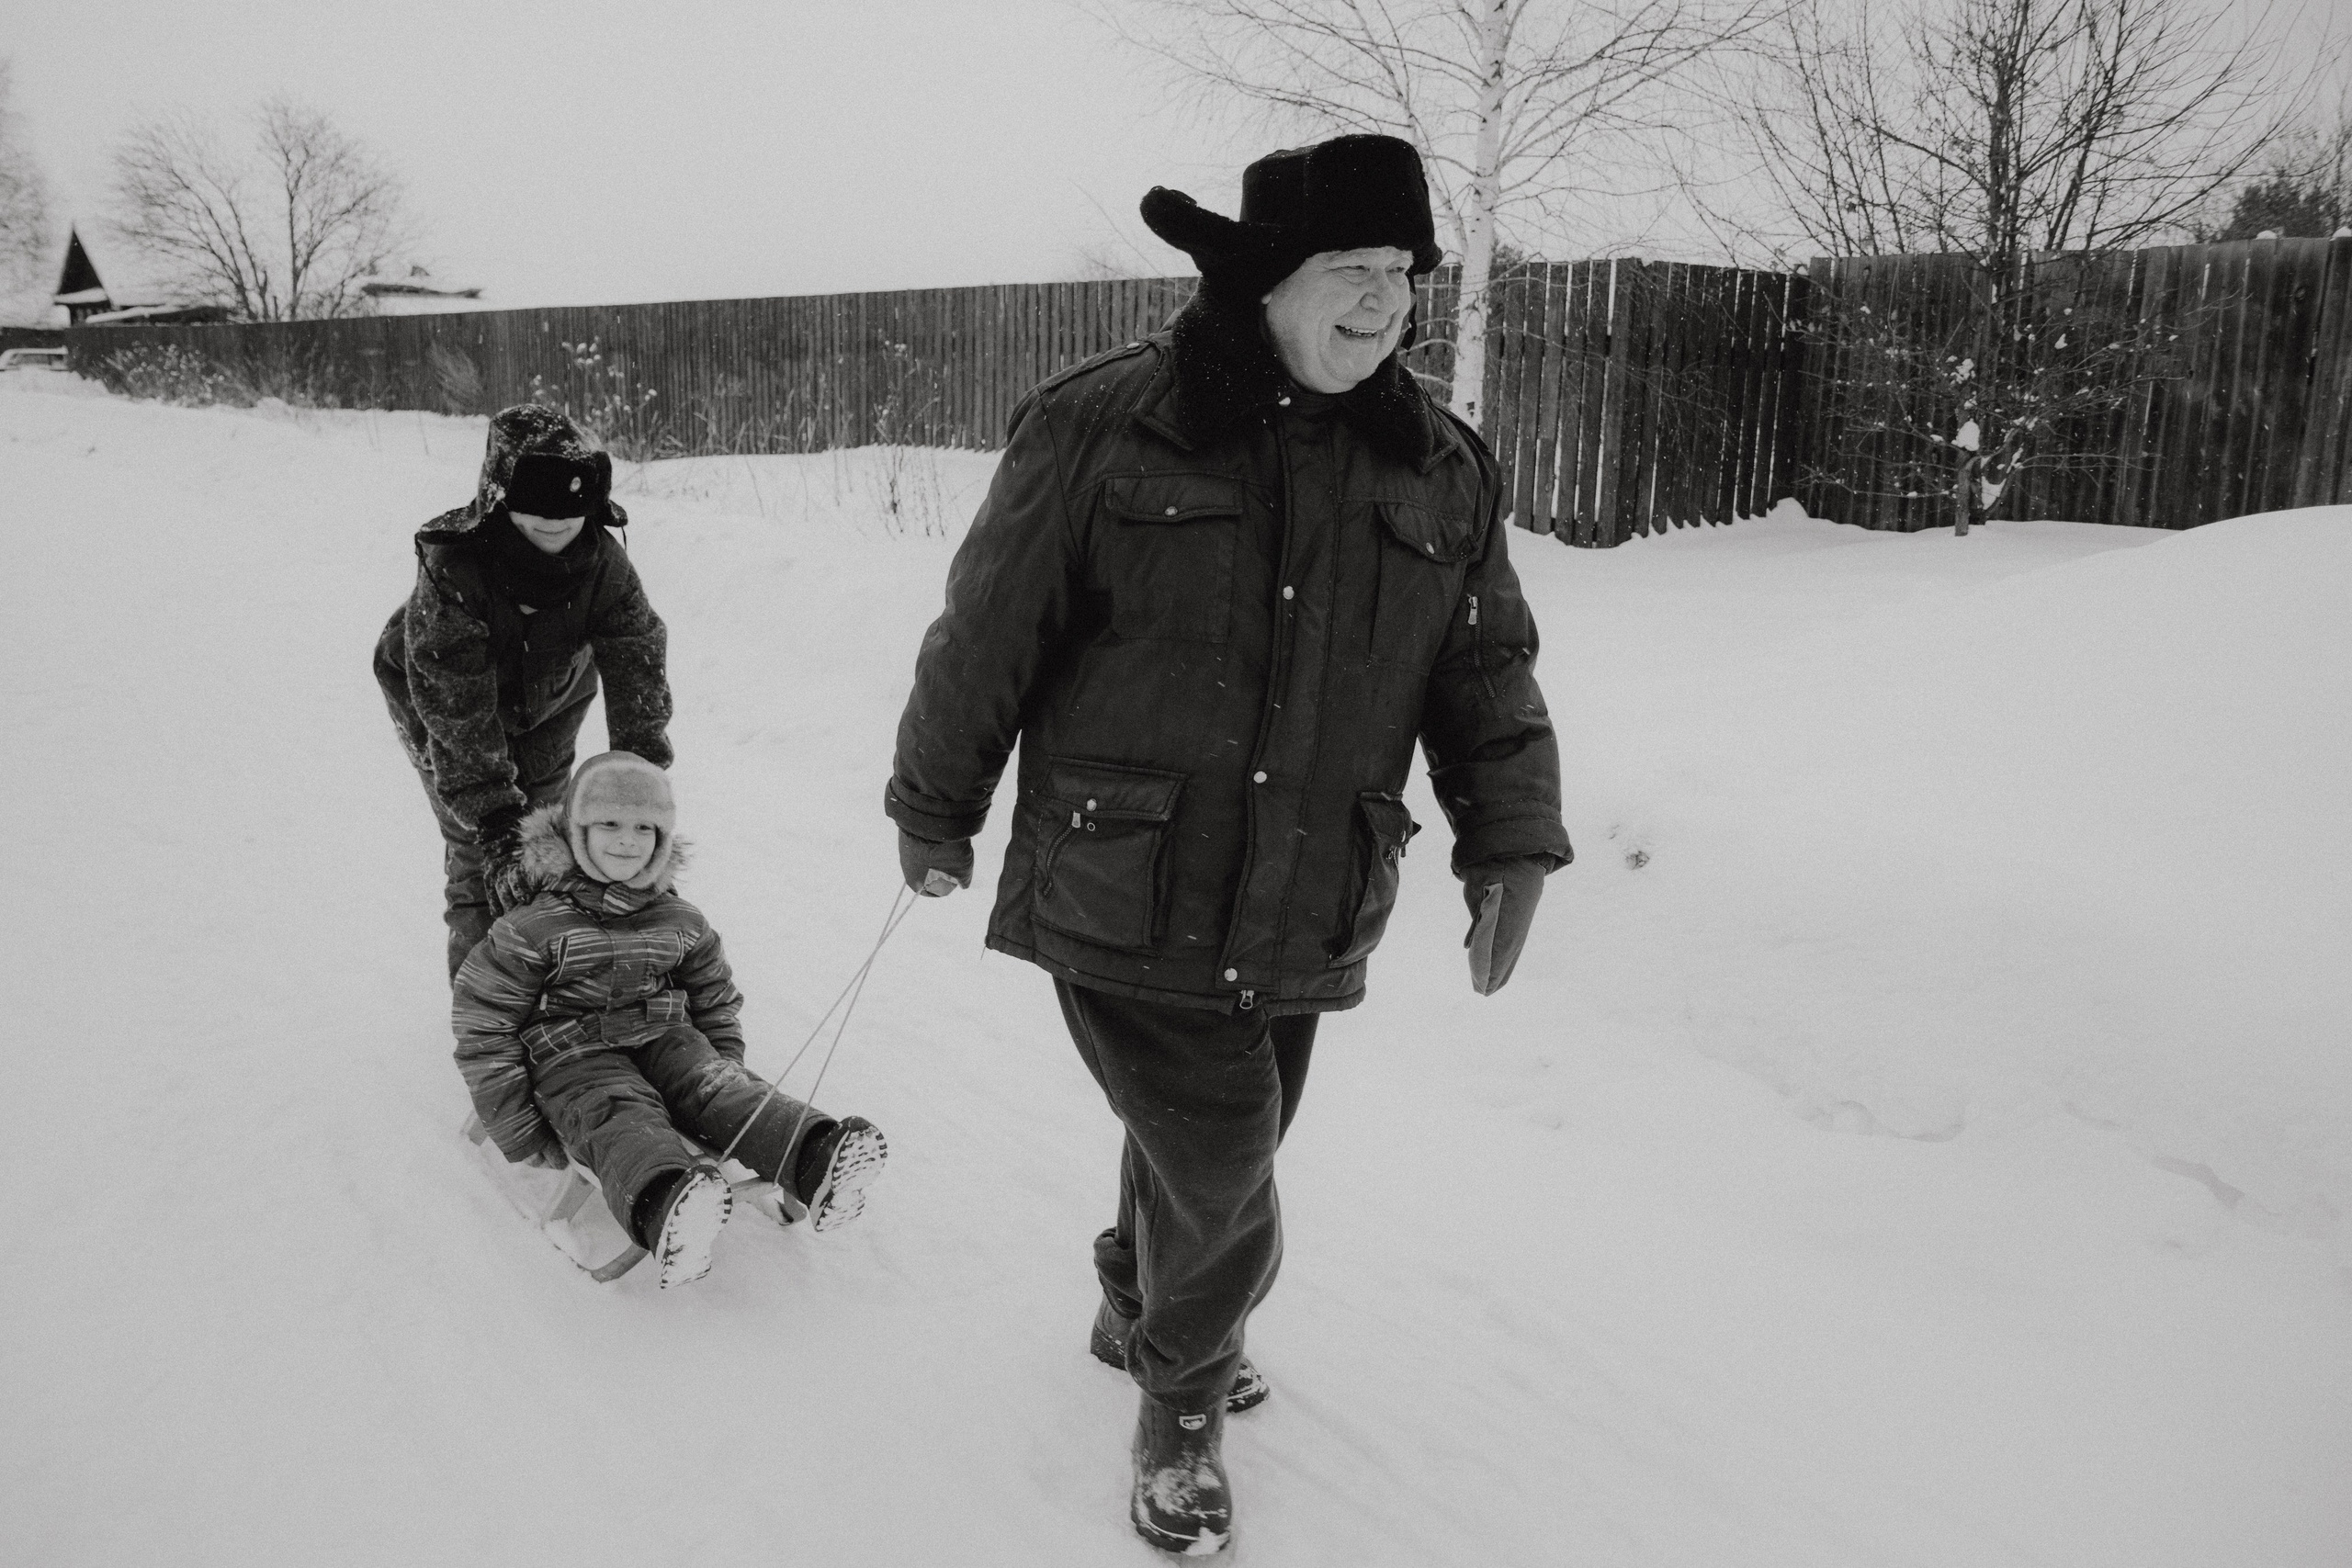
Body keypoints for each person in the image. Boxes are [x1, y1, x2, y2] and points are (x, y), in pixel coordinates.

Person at [884, 134, 1570, 1553]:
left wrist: (1510, 839)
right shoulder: (1104, 426)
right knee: (1225, 1153)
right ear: (1266, 279)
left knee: (1213, 1142)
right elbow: (987, 631)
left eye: (1401, 273)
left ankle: (1133, 1300)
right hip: (1125, 877)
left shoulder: (1438, 464)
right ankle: (1179, 1397)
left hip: (1312, 892)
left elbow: (1484, 667)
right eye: (1350, 270)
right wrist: (933, 802)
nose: (1384, 303)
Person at [453, 750, 888, 1289]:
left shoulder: (679, 919)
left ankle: (819, 1159)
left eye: (644, 827)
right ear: (574, 831)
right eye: (608, 823)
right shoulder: (533, 927)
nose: (626, 840)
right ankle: (667, 1204)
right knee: (617, 1114)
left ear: (662, 839)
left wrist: (723, 1063)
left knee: (721, 1090)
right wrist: (517, 1126)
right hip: (571, 1055)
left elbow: (713, 993)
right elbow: (483, 1029)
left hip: (665, 1037)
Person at [374, 403, 674, 979]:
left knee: (549, 834)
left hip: (551, 702)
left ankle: (551, 978)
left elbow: (637, 657)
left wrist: (639, 781)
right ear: (500, 498)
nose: (556, 524)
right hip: (436, 706)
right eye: (535, 510)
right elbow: (455, 705)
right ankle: (483, 1005)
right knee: (480, 853)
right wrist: (491, 818)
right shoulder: (454, 568)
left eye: (570, 511)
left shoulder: (604, 563)